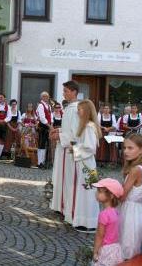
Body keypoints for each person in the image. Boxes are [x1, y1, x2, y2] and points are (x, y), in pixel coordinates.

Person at [50, 80, 80, 217]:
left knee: (68, 180)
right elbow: (68, 129)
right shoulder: (69, 108)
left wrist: (59, 137)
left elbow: (76, 133)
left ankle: (67, 207)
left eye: (66, 91)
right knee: (60, 177)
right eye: (63, 91)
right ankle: (60, 205)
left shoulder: (76, 109)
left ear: (74, 92)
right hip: (63, 149)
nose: (63, 94)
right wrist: (58, 131)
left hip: (70, 150)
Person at [70, 99, 101, 230]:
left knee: (88, 190)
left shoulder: (88, 127)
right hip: (85, 163)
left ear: (87, 111)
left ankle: (89, 222)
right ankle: (85, 220)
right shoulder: (87, 125)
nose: (78, 111)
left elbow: (90, 147)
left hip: (87, 163)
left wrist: (75, 149)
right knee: (86, 190)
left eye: (80, 109)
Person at [119, 133, 142, 260]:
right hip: (136, 211)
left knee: (127, 248)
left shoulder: (135, 170)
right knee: (130, 247)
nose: (126, 151)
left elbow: (122, 195)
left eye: (130, 148)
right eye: (125, 148)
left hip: (131, 213)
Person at [92, 178, 124, 266]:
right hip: (116, 249)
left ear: (111, 195)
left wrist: (95, 252)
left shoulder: (104, 214)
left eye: (99, 191)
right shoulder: (116, 212)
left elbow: (100, 235)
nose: (96, 193)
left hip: (106, 250)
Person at [36, 91, 53, 168]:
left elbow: (51, 116)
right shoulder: (40, 105)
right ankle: (40, 163)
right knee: (41, 144)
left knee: (47, 144)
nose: (46, 98)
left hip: (48, 126)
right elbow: (42, 118)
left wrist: (51, 124)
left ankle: (44, 161)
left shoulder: (49, 106)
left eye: (47, 96)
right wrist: (49, 126)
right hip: (43, 126)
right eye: (45, 96)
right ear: (42, 97)